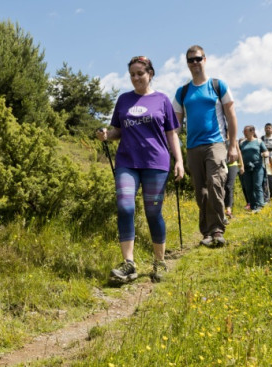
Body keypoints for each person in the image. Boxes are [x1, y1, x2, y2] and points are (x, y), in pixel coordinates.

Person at [96, 56, 184, 284]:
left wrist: (179, 161)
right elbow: (117, 131)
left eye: (140, 74)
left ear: (150, 74)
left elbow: (171, 134)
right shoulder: (124, 100)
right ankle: (128, 264)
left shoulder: (162, 100)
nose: (136, 78)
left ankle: (159, 262)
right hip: (127, 161)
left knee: (153, 212)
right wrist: (107, 135)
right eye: (132, 74)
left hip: (157, 162)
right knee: (125, 207)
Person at [172, 45, 239, 246]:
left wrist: (233, 145)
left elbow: (231, 115)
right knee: (201, 191)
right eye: (191, 60)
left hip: (216, 143)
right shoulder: (182, 92)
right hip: (192, 147)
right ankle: (207, 233)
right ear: (187, 64)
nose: (195, 63)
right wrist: (176, 155)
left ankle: (217, 229)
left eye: (198, 59)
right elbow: (175, 126)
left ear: (205, 59)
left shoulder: (218, 85)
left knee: (216, 182)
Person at [240, 125, 269, 213]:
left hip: (257, 166)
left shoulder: (259, 141)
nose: (244, 133)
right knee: (248, 187)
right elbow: (239, 154)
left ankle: (260, 205)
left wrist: (265, 154)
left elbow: (265, 151)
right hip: (246, 167)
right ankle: (253, 206)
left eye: (246, 131)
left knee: (257, 185)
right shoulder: (242, 143)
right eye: (243, 131)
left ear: (252, 132)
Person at [223, 143, 244, 223]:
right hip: (222, 164)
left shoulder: (233, 139)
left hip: (232, 164)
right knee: (223, 187)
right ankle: (223, 209)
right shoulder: (220, 136)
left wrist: (242, 165)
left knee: (229, 186)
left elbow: (238, 151)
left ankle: (229, 209)